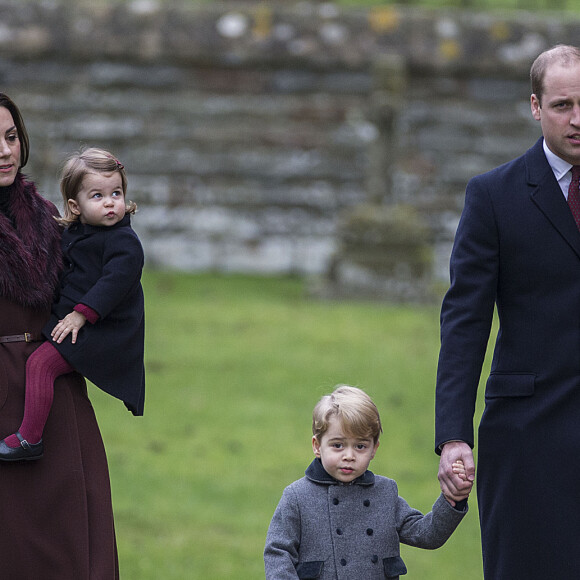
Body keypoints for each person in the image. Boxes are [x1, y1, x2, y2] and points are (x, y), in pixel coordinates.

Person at [435, 44, 580, 579]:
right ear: (536, 107)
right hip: (526, 438)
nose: (578, 119)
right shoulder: (493, 196)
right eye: (563, 105)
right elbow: (465, 323)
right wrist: (454, 433)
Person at [0, 94, 118, 576]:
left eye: (10, 137)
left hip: (53, 398)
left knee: (70, 547)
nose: (5, 151)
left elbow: (109, 273)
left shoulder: (52, 218)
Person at [0, 147, 145, 461]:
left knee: (41, 364)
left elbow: (113, 284)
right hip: (78, 324)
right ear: (73, 206)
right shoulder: (75, 234)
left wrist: (81, 314)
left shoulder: (125, 243)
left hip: (101, 332)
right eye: (97, 195)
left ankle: (29, 439)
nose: (110, 202)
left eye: (116, 193)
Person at [265, 385, 470, 579]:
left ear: (374, 449)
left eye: (360, 446)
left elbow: (427, 534)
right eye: (338, 445)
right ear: (317, 446)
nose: (349, 455)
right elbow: (278, 553)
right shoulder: (297, 496)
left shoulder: (385, 492)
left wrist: (452, 499)